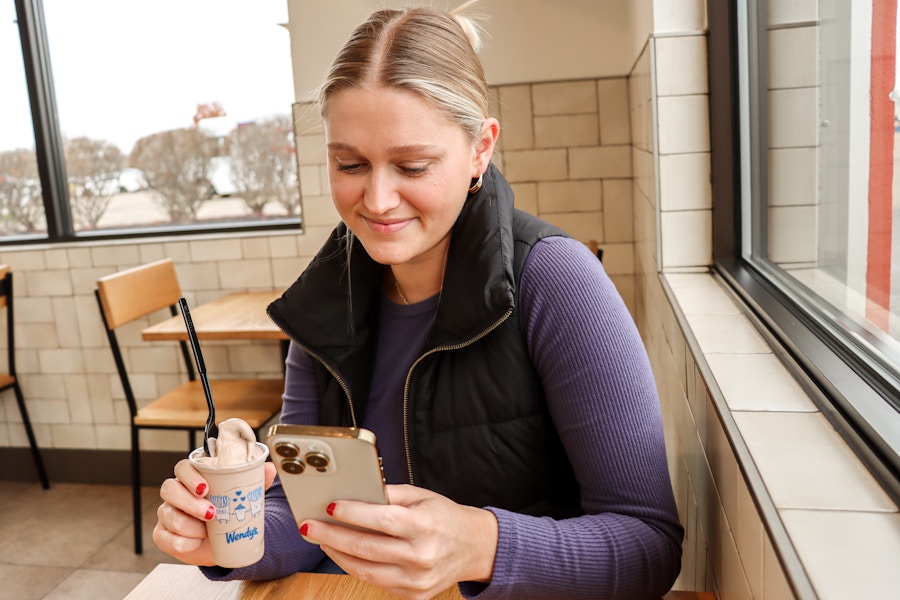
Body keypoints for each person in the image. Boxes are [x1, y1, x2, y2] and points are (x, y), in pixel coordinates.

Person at [153, 2, 683, 599]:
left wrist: (481, 545)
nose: (377, 200)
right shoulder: (326, 298)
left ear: (480, 148)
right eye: (349, 163)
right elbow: (312, 518)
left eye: (412, 165)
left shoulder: (559, 282)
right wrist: (228, 532)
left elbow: (648, 545)